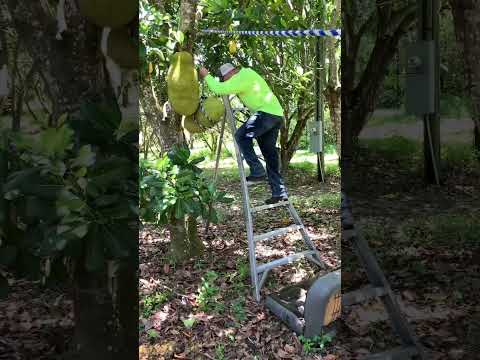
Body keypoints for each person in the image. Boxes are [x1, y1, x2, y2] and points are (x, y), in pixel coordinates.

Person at [199, 63, 288, 205]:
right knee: (269, 154)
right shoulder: (247, 74)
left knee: (241, 136)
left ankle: (257, 170)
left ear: (230, 73)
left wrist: (206, 75)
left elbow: (218, 88)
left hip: (266, 113)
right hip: (275, 115)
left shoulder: (241, 77)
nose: (226, 82)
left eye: (225, 79)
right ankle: (279, 192)